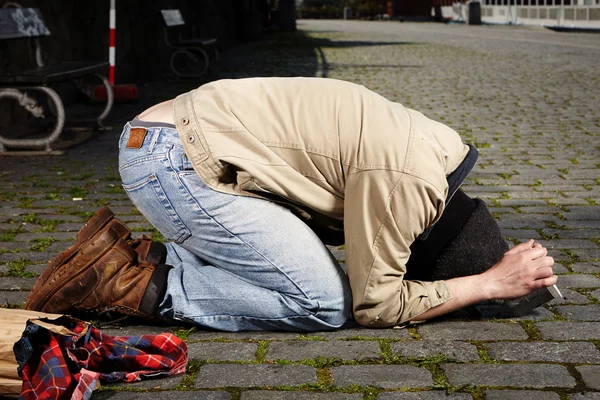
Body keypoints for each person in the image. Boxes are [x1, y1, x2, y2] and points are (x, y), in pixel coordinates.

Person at [25, 77, 557, 331]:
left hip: (174, 140)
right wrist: (486, 285)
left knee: (304, 268)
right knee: (323, 302)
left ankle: (152, 258)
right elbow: (377, 307)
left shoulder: (438, 148)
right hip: (176, 161)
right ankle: (131, 284)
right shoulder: (401, 186)